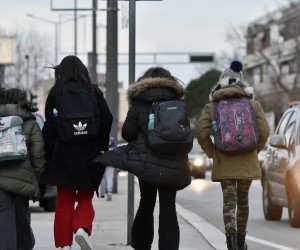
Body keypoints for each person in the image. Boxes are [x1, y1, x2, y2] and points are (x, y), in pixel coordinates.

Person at [93, 66, 191, 250]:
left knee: (146, 202)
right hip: (174, 161)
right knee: (169, 206)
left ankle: (141, 245)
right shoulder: (177, 102)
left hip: (146, 164)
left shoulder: (139, 104)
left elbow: (129, 134)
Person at [41, 55, 113, 250]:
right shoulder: (93, 91)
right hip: (89, 151)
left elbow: (49, 127)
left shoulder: (56, 93)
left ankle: (64, 244)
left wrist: (46, 152)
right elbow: (107, 118)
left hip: (63, 154)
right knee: (85, 196)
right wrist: (102, 145)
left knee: (64, 200)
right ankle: (81, 228)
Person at [196, 61, 269, 250]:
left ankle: (231, 244)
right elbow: (265, 131)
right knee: (243, 201)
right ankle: (241, 242)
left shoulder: (212, 106)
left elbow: (201, 133)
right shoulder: (253, 104)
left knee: (229, 203)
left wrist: (213, 153)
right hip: (247, 161)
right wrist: (254, 150)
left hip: (224, 162)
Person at [0, 87, 46, 250]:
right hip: (23, 180)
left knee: (3, 218)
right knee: (22, 219)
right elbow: (38, 154)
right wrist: (36, 178)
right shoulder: (30, 122)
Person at [99, 136, 117, 201]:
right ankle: (109, 192)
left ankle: (102, 193)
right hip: (111, 161)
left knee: (102, 178)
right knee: (110, 177)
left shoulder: (101, 138)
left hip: (103, 160)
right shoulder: (112, 140)